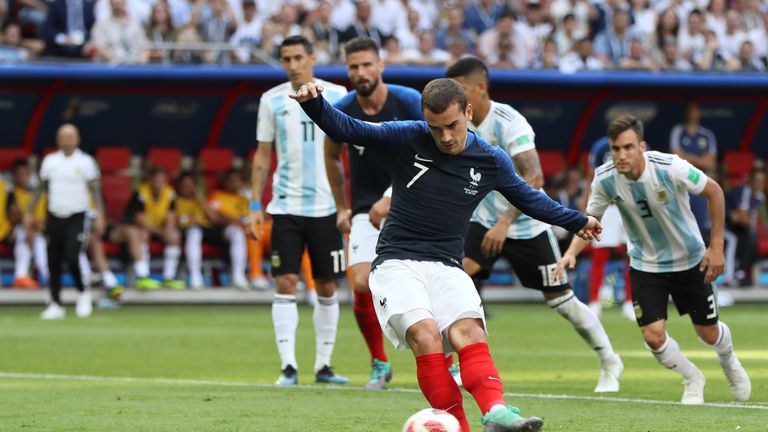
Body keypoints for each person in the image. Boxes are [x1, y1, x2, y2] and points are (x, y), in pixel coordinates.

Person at [290, 78, 602, 432]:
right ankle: (460, 427)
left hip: (447, 266)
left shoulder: (490, 159)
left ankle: (496, 411)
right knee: (425, 336)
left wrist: (578, 221)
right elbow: (349, 127)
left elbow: (530, 198)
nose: (446, 137)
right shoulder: (408, 135)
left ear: (468, 112)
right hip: (396, 263)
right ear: (426, 120)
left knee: (468, 332)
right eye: (437, 129)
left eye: (453, 125)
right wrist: (314, 104)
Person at [444, 57, 623, 394]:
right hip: (483, 223)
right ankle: (457, 367)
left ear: (480, 88)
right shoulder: (456, 124)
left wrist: (505, 221)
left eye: (462, 91)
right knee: (454, 286)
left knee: (563, 301)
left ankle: (609, 359)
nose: (456, 100)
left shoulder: (511, 123)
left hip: (526, 226)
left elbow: (535, 177)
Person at [556, 114, 751, 405]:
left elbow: (715, 191)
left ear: (642, 146)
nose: (621, 155)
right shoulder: (605, 178)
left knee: (708, 333)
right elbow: (590, 222)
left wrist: (717, 247)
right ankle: (692, 377)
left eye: (628, 147)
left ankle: (729, 361)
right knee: (653, 336)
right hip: (646, 265)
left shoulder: (670, 167)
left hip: (690, 260)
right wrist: (570, 253)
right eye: (616, 149)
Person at [248, 35, 349, 386]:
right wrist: (253, 205)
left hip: (325, 207)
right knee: (286, 281)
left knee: (326, 285)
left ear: (312, 58)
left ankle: (324, 365)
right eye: (285, 58)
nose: (292, 64)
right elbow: (262, 155)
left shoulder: (337, 95)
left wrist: (345, 206)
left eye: (297, 57)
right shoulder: (271, 100)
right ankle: (288, 366)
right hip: (286, 206)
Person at [324, 37, 424, 390]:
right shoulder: (343, 107)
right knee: (362, 283)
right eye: (353, 67)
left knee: (424, 286)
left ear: (381, 66)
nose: (361, 72)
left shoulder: (408, 101)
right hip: (366, 209)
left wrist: (392, 196)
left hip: (412, 204)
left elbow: (429, 153)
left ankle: (445, 361)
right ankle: (380, 363)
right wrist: (341, 206)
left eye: (367, 65)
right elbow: (331, 155)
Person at [27, 124, 106, 320]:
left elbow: (95, 190)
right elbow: (40, 188)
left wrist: (101, 215)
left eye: (71, 136)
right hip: (54, 215)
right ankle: (55, 303)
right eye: (64, 136)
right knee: (53, 261)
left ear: (77, 139)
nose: (68, 140)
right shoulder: (50, 161)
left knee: (72, 256)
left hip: (77, 215)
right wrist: (29, 212)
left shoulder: (86, 161)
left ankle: (83, 292)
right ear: (58, 139)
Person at [583, 135, 635, 320]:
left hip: (631, 205)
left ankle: (630, 302)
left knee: (633, 255)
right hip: (608, 206)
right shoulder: (601, 145)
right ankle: (595, 302)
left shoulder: (638, 145)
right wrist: (586, 206)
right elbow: (591, 176)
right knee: (599, 255)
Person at [669, 101, 718, 243]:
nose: (692, 112)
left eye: (695, 109)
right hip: (682, 185)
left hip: (700, 186)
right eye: (689, 109)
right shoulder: (678, 131)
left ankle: (701, 263)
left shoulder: (707, 135)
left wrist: (688, 158)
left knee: (701, 229)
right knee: (681, 228)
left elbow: (712, 164)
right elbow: (676, 158)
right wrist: (701, 160)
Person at [9, 159, 48, 288]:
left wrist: (33, 225)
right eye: (20, 174)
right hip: (14, 231)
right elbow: (13, 217)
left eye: (26, 174)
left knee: (38, 239)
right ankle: (21, 276)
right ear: (14, 176)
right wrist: (28, 225)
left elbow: (46, 221)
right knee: (23, 233)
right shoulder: (11, 192)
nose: (23, 178)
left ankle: (42, 275)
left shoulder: (41, 194)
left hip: (38, 232)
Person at [208, 169, 250, 289]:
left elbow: (262, 214)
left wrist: (251, 197)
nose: (234, 183)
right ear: (225, 182)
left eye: (237, 181)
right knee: (237, 233)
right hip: (224, 231)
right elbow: (215, 217)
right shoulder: (217, 195)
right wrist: (234, 221)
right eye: (231, 180)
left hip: (248, 232)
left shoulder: (244, 198)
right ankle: (238, 276)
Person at [724, 168, 765, 287]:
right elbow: (742, 219)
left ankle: (740, 274)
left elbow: (749, 221)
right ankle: (729, 277)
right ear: (751, 181)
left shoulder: (759, 197)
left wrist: (742, 217)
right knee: (733, 239)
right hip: (723, 225)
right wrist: (741, 217)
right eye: (757, 181)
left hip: (739, 229)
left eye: (762, 181)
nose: (759, 184)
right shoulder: (743, 190)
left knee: (752, 236)